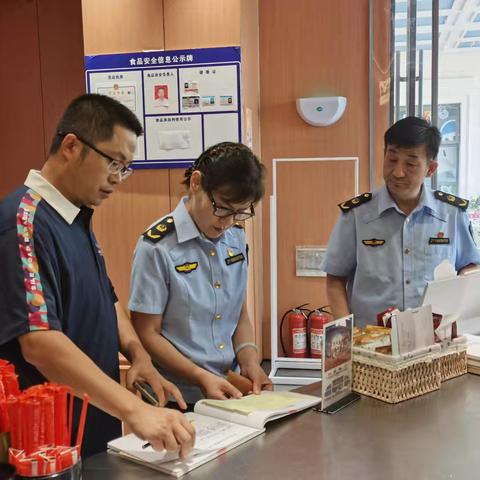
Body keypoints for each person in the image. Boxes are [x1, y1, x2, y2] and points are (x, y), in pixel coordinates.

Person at [0, 94, 195, 458]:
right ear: (72, 146)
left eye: (125, 168)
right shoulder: (23, 221)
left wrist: (138, 355)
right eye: (114, 163)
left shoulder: (76, 215)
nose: (117, 179)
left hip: (94, 424)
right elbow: (40, 343)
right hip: (46, 444)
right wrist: (135, 409)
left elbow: (108, 297)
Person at [129, 142, 272, 405]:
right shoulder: (157, 246)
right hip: (176, 396)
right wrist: (199, 376)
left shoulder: (236, 239)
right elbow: (147, 332)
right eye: (223, 208)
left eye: (240, 213)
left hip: (229, 389)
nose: (227, 221)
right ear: (196, 183)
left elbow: (239, 315)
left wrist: (250, 360)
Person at [322, 116, 480, 328]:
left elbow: (470, 267)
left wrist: (457, 295)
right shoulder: (357, 215)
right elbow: (335, 279)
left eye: (411, 163)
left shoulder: (451, 214)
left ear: (430, 169)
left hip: (434, 343)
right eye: (392, 159)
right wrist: (345, 333)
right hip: (372, 343)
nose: (397, 172)